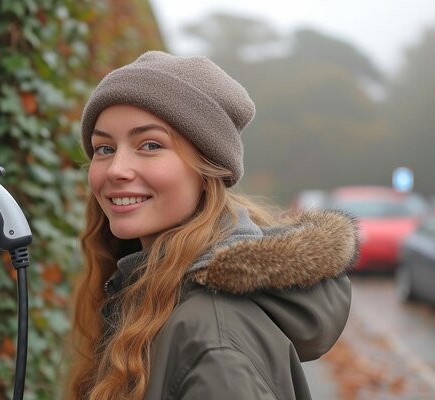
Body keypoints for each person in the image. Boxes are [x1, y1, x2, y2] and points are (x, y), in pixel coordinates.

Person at [66, 50, 356, 400]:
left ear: (207, 170)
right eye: (104, 148)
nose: (115, 169)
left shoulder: (213, 335)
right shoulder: (142, 289)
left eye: (150, 145)